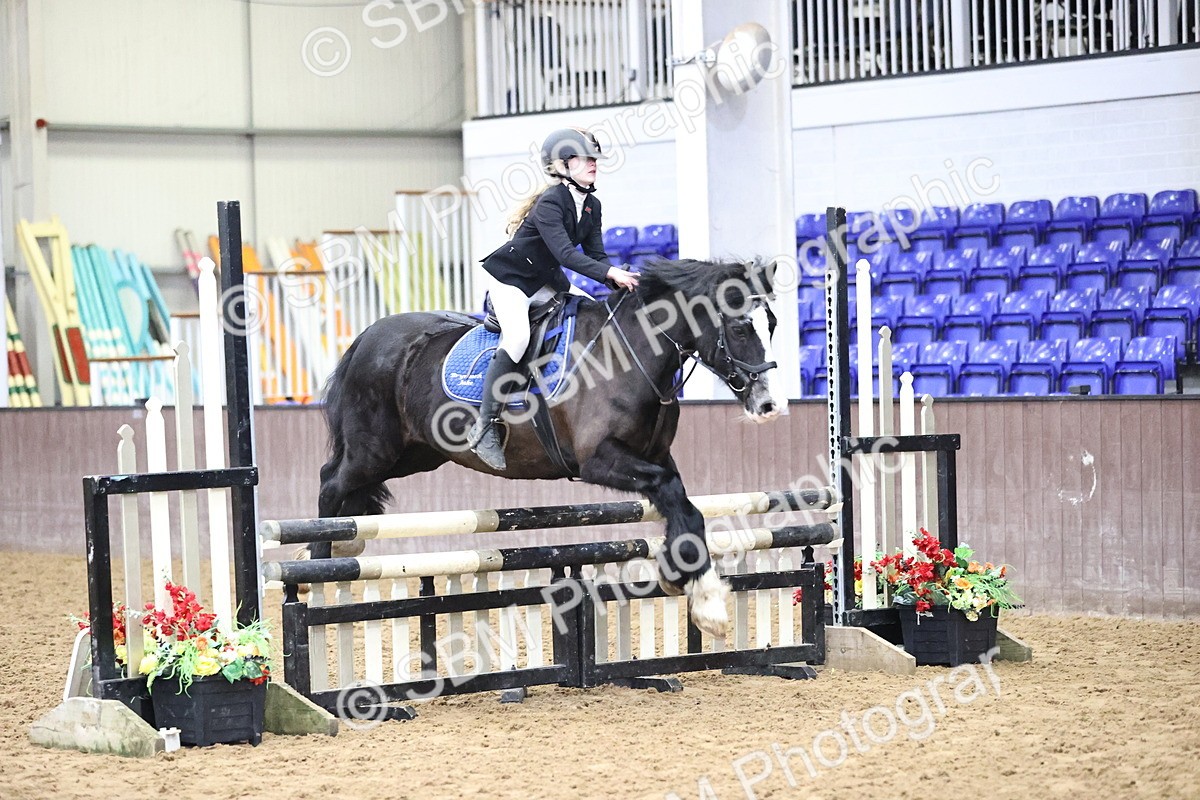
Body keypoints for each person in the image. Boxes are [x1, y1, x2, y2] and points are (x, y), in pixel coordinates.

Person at [468, 127, 640, 470]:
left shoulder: (591, 204)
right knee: (517, 337)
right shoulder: (551, 202)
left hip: (546, 279)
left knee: (590, 310)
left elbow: (596, 254)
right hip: (512, 279)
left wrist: (621, 283)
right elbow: (564, 253)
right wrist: (608, 275)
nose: (594, 164)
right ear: (563, 165)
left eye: (595, 158)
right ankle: (484, 427)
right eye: (585, 158)